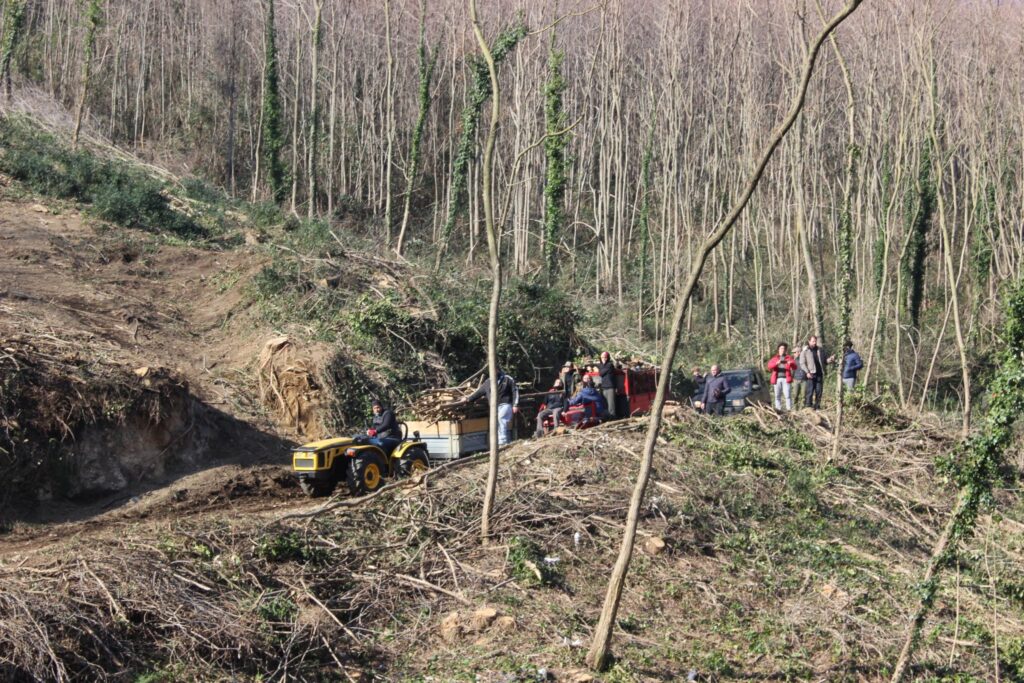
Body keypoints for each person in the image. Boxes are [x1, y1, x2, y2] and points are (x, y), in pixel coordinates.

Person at [463, 368, 520, 446]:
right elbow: (479, 392)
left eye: (495, 370)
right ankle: (499, 442)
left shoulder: (507, 379)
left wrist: (515, 405)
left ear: (498, 370)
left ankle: (502, 443)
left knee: (501, 419)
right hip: (494, 407)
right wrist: (468, 399)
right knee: (496, 423)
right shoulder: (488, 382)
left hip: (505, 404)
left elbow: (515, 391)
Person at [798, 335, 833, 410]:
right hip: (810, 374)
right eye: (813, 341)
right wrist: (807, 372)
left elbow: (825, 361)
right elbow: (802, 363)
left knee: (819, 391)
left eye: (815, 341)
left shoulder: (820, 350)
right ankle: (808, 406)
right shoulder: (805, 351)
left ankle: (817, 407)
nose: (814, 343)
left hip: (819, 374)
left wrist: (830, 360)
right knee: (809, 391)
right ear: (809, 341)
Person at [767, 343, 797, 412]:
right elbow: (769, 367)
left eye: (784, 348)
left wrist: (791, 363)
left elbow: (795, 367)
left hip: (786, 379)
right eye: (781, 348)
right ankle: (778, 410)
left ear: (786, 350)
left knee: (787, 395)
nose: (782, 350)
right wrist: (776, 363)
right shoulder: (775, 358)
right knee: (777, 396)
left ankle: (789, 410)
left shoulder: (789, 358)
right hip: (777, 379)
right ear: (778, 349)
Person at [597, 351, 618, 419]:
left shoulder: (610, 365)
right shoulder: (600, 365)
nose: (603, 358)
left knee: (611, 404)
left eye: (605, 357)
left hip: (610, 387)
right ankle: (607, 417)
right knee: (605, 404)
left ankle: (612, 418)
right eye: (602, 357)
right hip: (603, 387)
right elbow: (601, 371)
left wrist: (600, 369)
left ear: (607, 358)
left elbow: (601, 373)